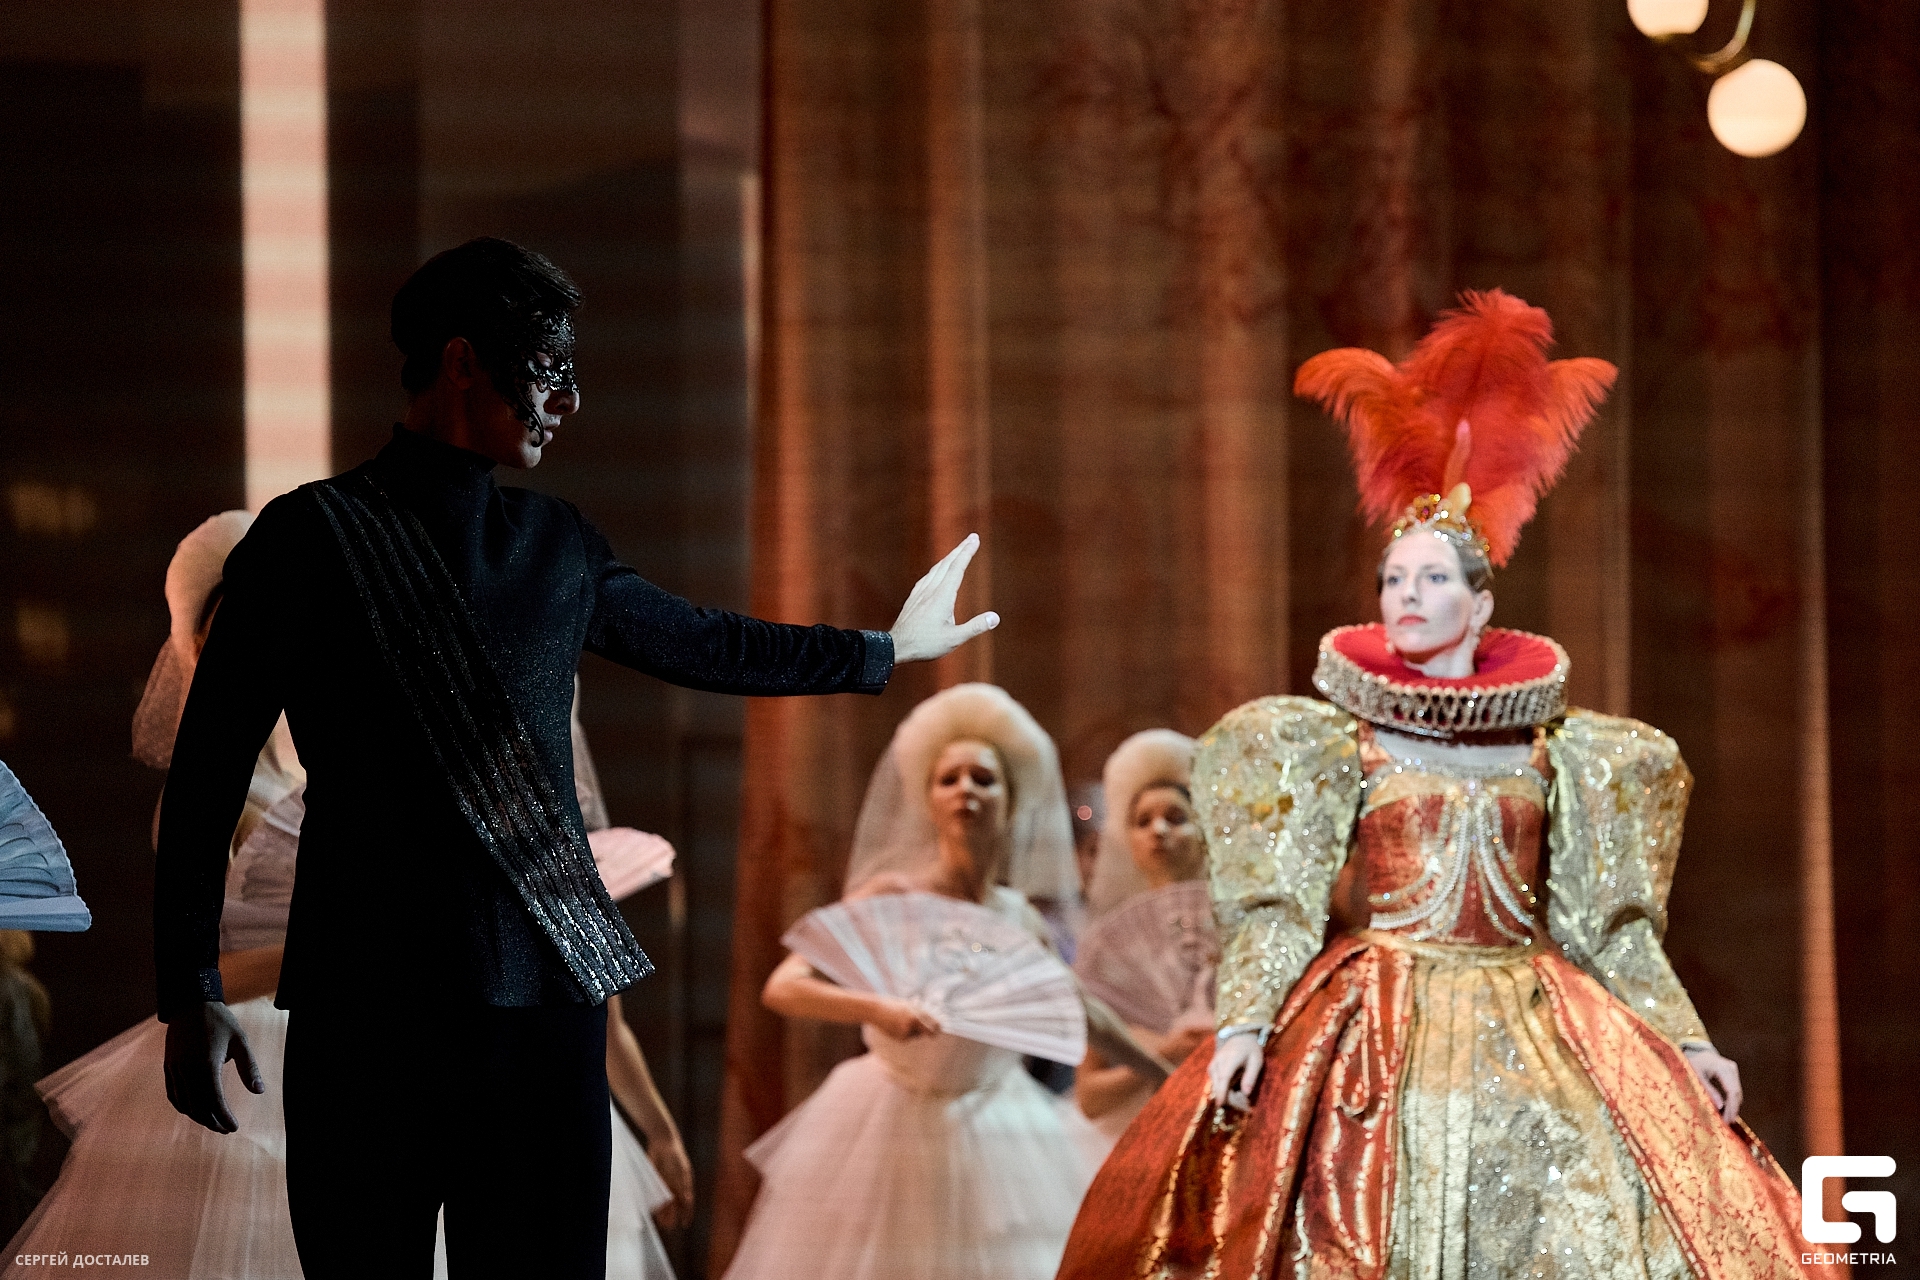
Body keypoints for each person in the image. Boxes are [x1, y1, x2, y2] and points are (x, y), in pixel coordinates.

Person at [154, 238, 994, 1280]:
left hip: (546, 1006)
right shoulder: (308, 537)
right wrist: (187, 987)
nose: (570, 400)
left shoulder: (555, 541)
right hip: (369, 1006)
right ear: (463, 361)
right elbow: (206, 776)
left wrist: (881, 649)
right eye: (549, 368)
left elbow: (703, 641)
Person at [1058, 290, 1830, 1280]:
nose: (1407, 598)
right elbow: (1280, 910)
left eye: (1431, 581)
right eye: (1394, 580)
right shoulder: (1337, 740)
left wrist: (1687, 1043)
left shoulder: (1560, 750)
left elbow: (1612, 930)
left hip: (1533, 1020)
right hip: (1378, 1022)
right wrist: (1246, 1022)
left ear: (1480, 600)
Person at [723, 684, 1158, 1280]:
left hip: (999, 1123)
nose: (965, 791)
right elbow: (785, 986)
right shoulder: (892, 898)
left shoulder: (1019, 917)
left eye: (984, 779)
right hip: (891, 1117)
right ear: (928, 799)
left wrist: (1166, 1073)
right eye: (948, 779)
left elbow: (1083, 1010)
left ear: (1011, 800)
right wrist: (880, 1010)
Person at [1070, 730, 1214, 1147]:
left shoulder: (1243, 926)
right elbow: (1090, 1096)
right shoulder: (1109, 952)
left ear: (1202, 831)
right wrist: (1164, 1051)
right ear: (1127, 841)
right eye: (1143, 821)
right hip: (1144, 1139)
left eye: (1176, 817)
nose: (1158, 831)